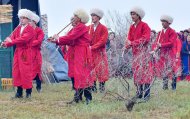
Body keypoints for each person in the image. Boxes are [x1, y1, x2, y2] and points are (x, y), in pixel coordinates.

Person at [49, 9, 93, 104]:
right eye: (73, 15)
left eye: (75, 16)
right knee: (75, 74)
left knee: (82, 74)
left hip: (82, 52)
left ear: (80, 18)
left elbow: (70, 38)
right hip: (75, 52)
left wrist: (58, 38)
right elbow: (68, 40)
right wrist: (55, 41)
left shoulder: (81, 27)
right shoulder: (75, 28)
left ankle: (88, 97)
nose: (73, 17)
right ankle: (78, 97)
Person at [2, 9, 35, 98]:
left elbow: (23, 39)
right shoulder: (18, 28)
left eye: (24, 18)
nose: (22, 20)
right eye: (21, 18)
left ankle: (28, 92)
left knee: (26, 72)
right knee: (17, 71)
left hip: (26, 52)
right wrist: (5, 44)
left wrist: (11, 41)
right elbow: (12, 38)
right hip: (18, 52)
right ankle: (19, 92)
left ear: (28, 19)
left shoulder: (30, 29)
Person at [125, 6, 152, 101]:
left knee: (145, 73)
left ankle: (147, 94)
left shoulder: (145, 25)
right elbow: (129, 39)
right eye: (131, 14)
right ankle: (139, 93)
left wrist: (132, 43)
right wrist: (126, 47)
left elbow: (146, 38)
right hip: (135, 54)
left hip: (144, 54)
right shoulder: (131, 27)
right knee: (137, 73)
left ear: (138, 15)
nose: (132, 16)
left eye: (134, 14)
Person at [151, 15, 177, 90]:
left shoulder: (173, 32)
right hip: (162, 53)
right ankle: (165, 86)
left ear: (168, 23)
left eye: (164, 22)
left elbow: (171, 43)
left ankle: (174, 86)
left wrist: (161, 45)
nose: (162, 23)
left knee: (172, 69)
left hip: (170, 53)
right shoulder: (160, 32)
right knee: (164, 69)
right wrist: (154, 50)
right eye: (162, 21)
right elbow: (157, 43)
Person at [89, 8, 109, 93]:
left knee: (101, 69)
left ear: (98, 17)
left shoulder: (104, 28)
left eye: (94, 15)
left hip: (100, 52)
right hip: (90, 52)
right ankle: (93, 88)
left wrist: (92, 47)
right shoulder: (88, 28)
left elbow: (102, 41)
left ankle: (102, 88)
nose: (92, 17)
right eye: (91, 15)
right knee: (91, 69)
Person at [30, 12, 44, 93]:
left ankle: (39, 87)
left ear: (34, 22)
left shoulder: (39, 31)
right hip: (28, 52)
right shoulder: (27, 30)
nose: (29, 23)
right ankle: (29, 87)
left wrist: (30, 43)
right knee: (28, 69)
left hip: (36, 53)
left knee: (37, 70)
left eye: (30, 21)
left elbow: (39, 40)